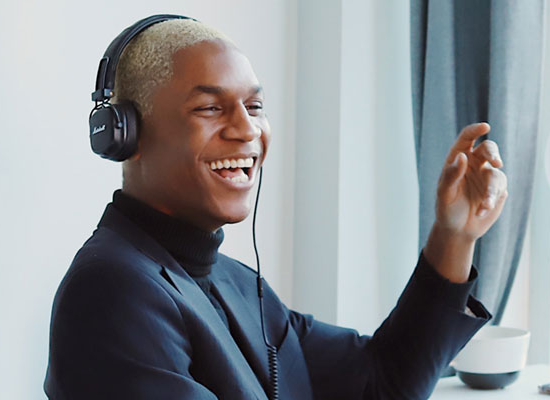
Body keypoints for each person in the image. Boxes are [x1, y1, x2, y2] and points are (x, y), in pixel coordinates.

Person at [44, 16, 509, 399]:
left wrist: (454, 236)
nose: (247, 129)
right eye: (210, 108)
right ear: (126, 135)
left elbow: (381, 382)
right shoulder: (111, 290)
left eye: (255, 105)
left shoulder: (235, 283)